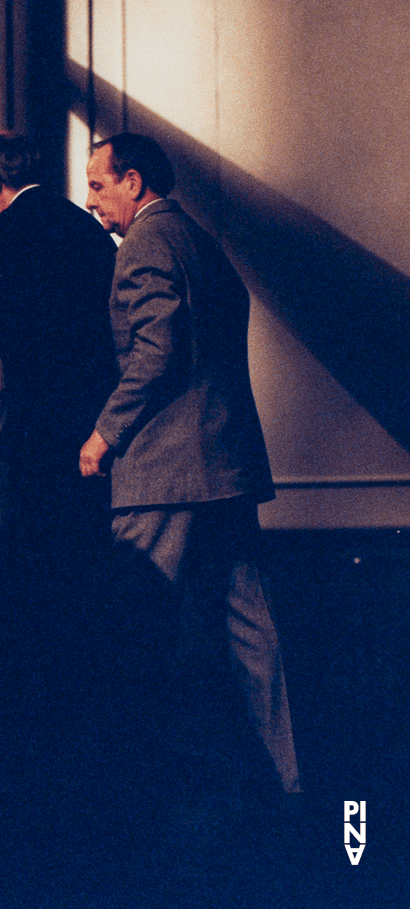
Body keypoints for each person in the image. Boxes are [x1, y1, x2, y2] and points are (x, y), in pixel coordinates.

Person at [80, 132, 300, 795]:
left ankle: (141, 789)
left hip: (164, 474)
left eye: (97, 185)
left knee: (137, 625)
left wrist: (103, 435)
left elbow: (157, 351)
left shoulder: (145, 243)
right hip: (224, 469)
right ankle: (287, 785)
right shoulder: (199, 239)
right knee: (252, 637)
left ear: (134, 181)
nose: (90, 201)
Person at [0, 130, 116, 537]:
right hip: (96, 407)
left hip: (42, 417)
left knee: (40, 536)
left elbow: (17, 333)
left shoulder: (11, 227)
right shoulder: (78, 220)